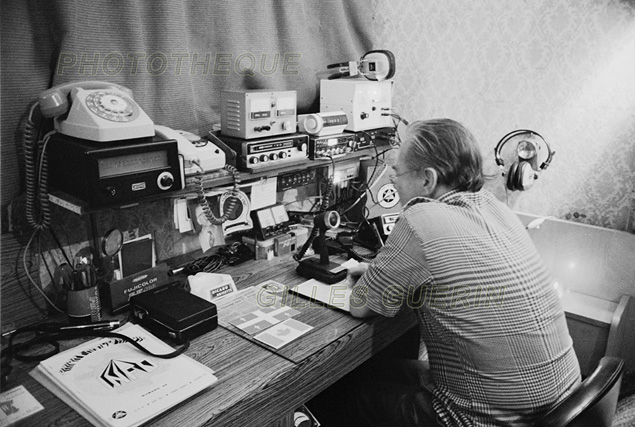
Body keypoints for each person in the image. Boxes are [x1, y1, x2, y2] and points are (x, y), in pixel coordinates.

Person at [309, 119, 581, 426]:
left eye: (396, 171)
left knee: (333, 394)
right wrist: (387, 271)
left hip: (488, 420)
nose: (393, 180)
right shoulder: (497, 208)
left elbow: (362, 307)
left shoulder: (420, 216)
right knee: (383, 370)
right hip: (560, 404)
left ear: (428, 179)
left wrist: (377, 279)